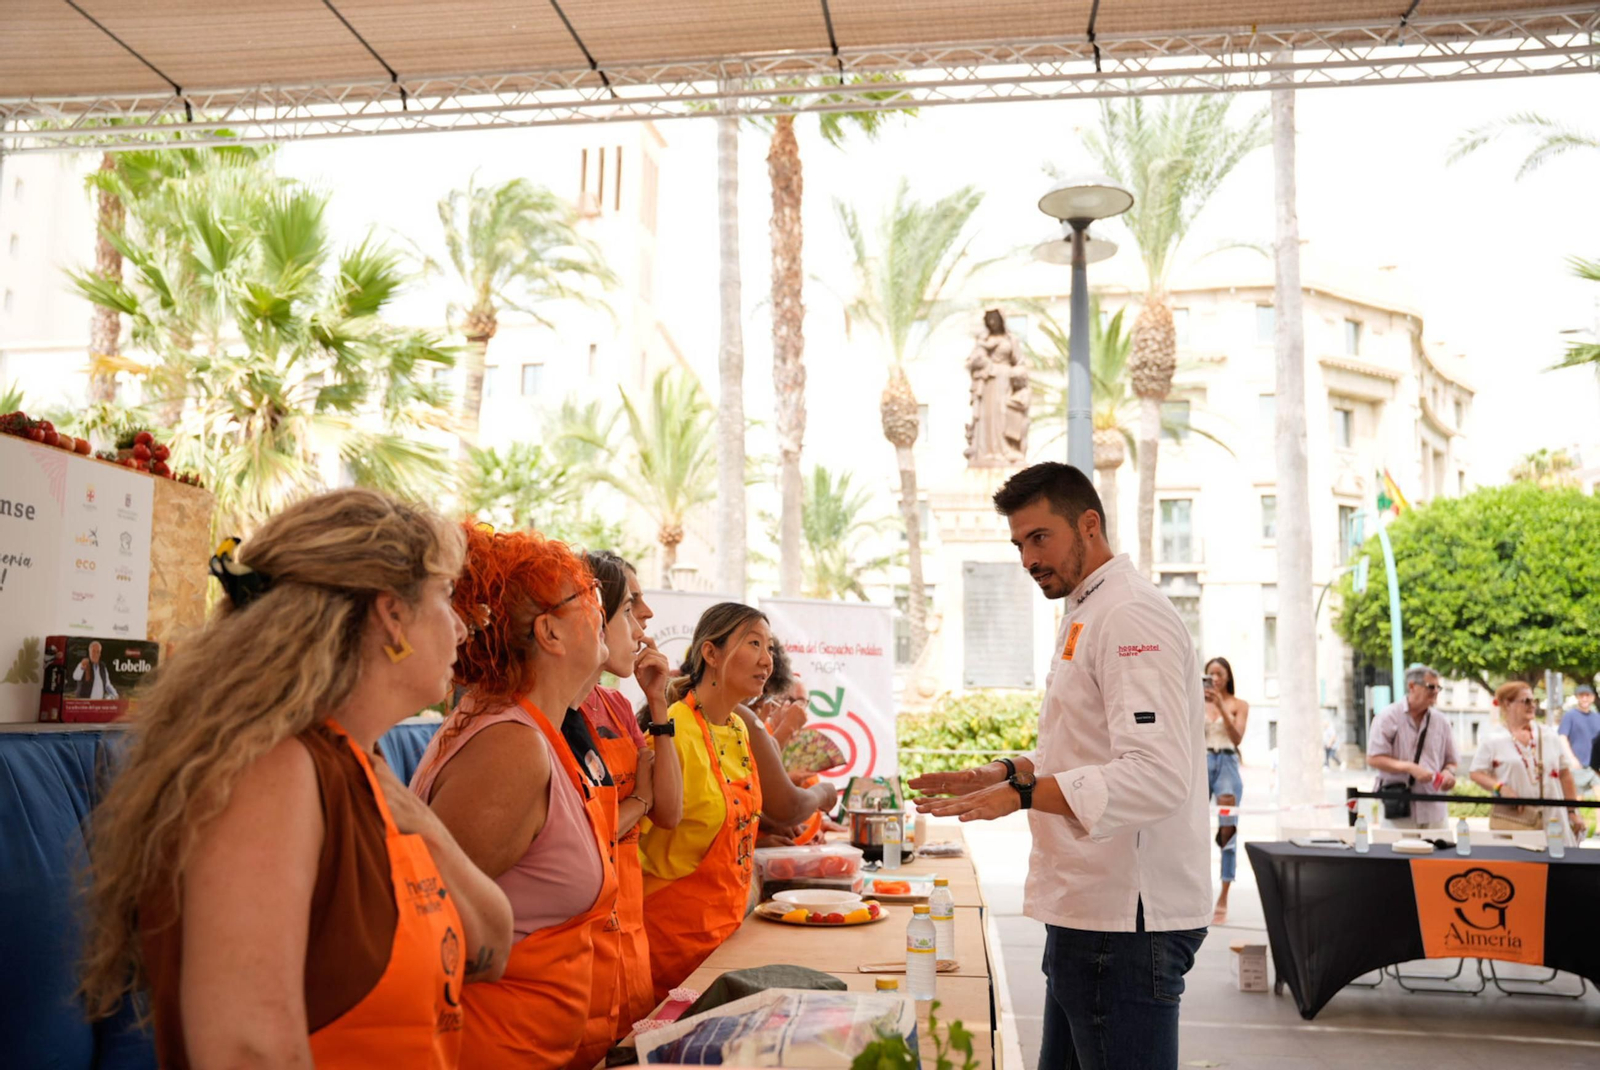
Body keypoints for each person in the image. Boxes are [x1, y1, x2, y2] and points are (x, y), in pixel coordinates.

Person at [79, 489, 513, 1069]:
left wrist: (421, 821)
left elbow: (491, 947)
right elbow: (246, 1050)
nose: (462, 628)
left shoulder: (357, 764)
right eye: (447, 595)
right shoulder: (272, 771)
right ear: (392, 615)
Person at [909, 462, 1208, 1070]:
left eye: (1039, 537)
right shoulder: (1087, 610)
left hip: (1124, 920)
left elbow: (1155, 774)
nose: (1026, 559)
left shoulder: (1127, 615)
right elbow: (1083, 748)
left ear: (1089, 524)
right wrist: (1007, 771)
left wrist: (1023, 796)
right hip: (1090, 913)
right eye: (1019, 544)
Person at [410, 525, 618, 1070]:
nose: (602, 610)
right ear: (549, 633)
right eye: (588, 598)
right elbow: (431, 925)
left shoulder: (534, 730)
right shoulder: (510, 748)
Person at [637, 603, 838, 1002]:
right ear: (710, 654)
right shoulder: (672, 732)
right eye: (753, 644)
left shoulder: (737, 729)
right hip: (670, 949)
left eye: (770, 648)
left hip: (727, 937)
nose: (767, 660)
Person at [575, 550, 683, 1037]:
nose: (647, 617)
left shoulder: (617, 704)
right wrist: (637, 800)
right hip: (580, 955)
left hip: (629, 939)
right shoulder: (546, 713)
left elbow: (670, 813)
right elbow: (583, 837)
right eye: (631, 604)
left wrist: (658, 703)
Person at [1471, 681, 1586, 845]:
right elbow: (1476, 773)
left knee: (1559, 867)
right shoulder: (1493, 739)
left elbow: (1565, 774)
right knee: (1520, 867)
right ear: (1507, 704)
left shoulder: (1548, 735)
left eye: (1533, 701)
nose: (1532, 705)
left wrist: (1572, 811)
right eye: (1526, 701)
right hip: (1517, 821)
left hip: (1553, 819)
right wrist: (1500, 789)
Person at [1367, 664, 1458, 829]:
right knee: (1398, 854)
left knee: (1439, 854)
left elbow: (1451, 761)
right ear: (1412, 686)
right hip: (1399, 808)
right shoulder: (1388, 717)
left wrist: (1448, 773)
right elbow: (1374, 758)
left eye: (1439, 687)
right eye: (1431, 687)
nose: (1436, 691)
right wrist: (1409, 768)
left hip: (1434, 808)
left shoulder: (1442, 721)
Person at [1202, 656, 1247, 925]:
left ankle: (1224, 894)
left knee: (1227, 831)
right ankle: (1196, 892)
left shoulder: (1238, 705)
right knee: (1192, 827)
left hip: (1228, 761)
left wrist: (1219, 703)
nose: (1215, 678)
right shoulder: (1198, 703)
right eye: (1210, 674)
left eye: (1219, 674)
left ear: (1228, 676)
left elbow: (1237, 737)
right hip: (1203, 760)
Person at [1558, 684, 1600, 799]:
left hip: (1595, 766)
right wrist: (1572, 759)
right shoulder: (1570, 716)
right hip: (1578, 764)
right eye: (1582, 696)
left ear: (1593, 698)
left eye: (1587, 695)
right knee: (1577, 799)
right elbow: (1562, 737)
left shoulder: (1597, 717)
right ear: (1577, 697)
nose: (1585, 698)